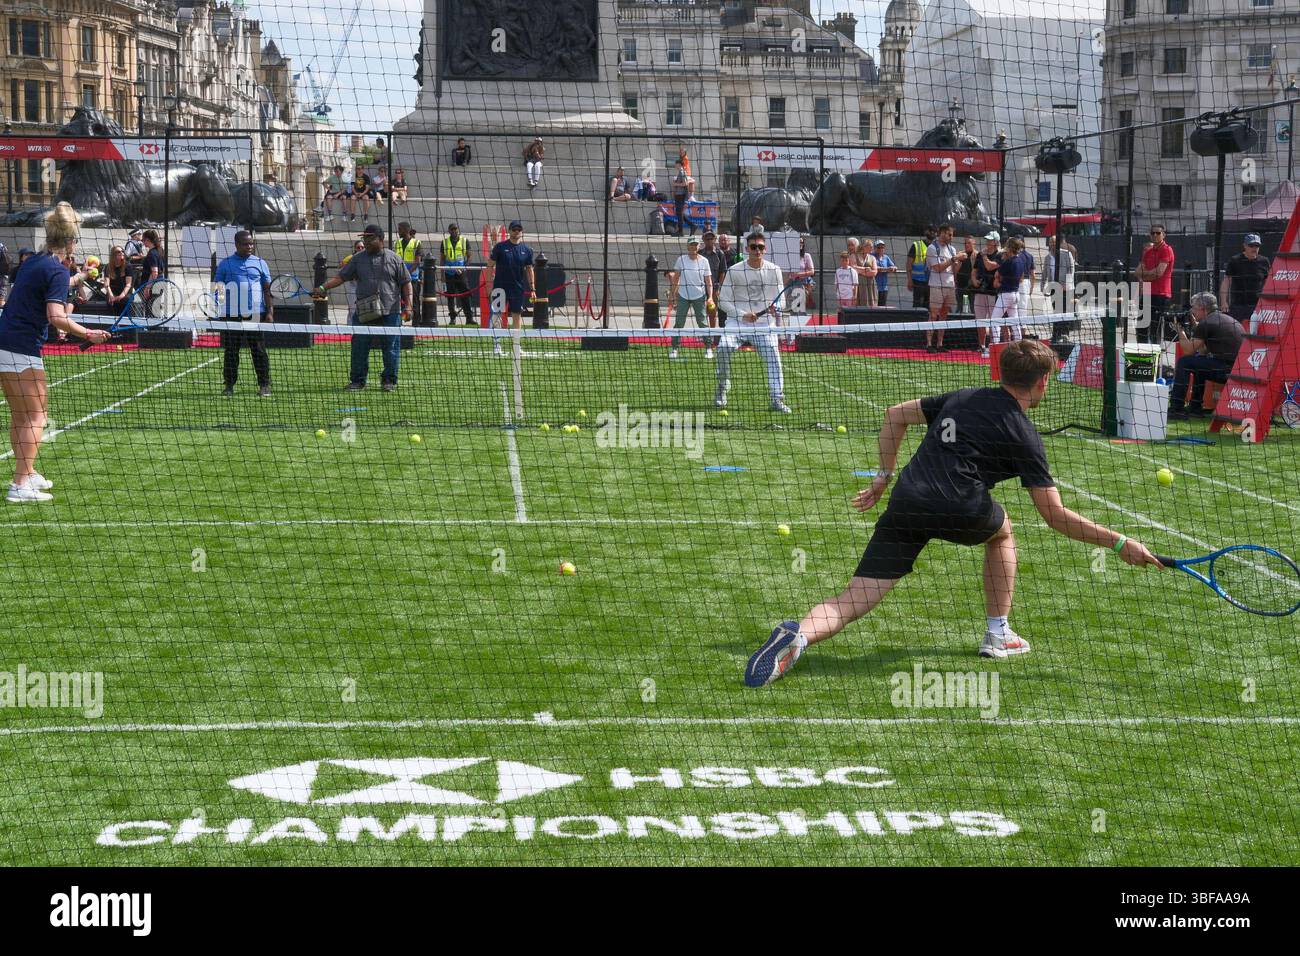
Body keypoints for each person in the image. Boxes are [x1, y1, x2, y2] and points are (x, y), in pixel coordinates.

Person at [742, 338, 1163, 685]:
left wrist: (882, 476)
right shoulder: (1025, 434)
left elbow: (894, 416)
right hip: (959, 505)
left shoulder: (962, 397)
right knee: (1003, 532)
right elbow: (1054, 516)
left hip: (907, 499)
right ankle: (998, 634)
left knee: (853, 597)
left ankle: (799, 636)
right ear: (1042, 382)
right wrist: (1119, 541)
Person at [0, 202, 111, 503]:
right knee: (36, 416)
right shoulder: (55, 270)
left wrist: (82, 277)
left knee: (22, 415)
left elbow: (52, 286)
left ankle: (27, 471)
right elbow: (56, 317)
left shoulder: (34, 263)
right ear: (72, 241)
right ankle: (19, 484)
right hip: (22, 347)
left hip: (5, 343)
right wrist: (89, 334)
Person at [314, 224, 412, 392]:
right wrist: (323, 288)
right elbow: (341, 277)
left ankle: (389, 380)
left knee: (391, 347)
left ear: (381, 240)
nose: (365, 241)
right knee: (359, 345)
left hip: (391, 311)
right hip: (365, 310)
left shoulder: (394, 258)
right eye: (364, 238)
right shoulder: (357, 259)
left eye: (369, 238)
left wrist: (409, 306)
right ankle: (358, 380)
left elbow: (406, 282)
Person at [715, 230, 790, 413]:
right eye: (754, 247)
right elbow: (722, 301)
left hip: (764, 324)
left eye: (761, 247)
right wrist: (742, 314)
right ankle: (722, 387)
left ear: (765, 249)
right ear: (747, 249)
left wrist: (776, 307)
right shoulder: (734, 270)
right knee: (723, 347)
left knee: (774, 358)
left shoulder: (774, 270)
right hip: (737, 323)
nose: (757, 250)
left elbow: (781, 300)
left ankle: (776, 399)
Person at [214, 230, 274, 398]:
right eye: (246, 244)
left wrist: (269, 312)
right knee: (231, 351)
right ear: (237, 245)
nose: (250, 247)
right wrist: (220, 310)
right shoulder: (225, 264)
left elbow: (267, 289)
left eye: (251, 244)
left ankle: (264, 385)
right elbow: (218, 288)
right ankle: (229, 386)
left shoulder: (260, 263)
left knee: (259, 350)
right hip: (231, 314)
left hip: (255, 313)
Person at [1168, 292, 1243, 419]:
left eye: (1194, 308)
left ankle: (1176, 407)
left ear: (1203, 308)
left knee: (1184, 362)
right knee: (1199, 361)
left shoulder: (1207, 323)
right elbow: (1203, 351)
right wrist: (1196, 327)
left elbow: (1188, 351)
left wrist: (1179, 330)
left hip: (1227, 370)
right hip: (1236, 368)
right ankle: (1195, 408)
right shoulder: (1221, 318)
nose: (1192, 311)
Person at [486, 220, 536, 357]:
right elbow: (490, 265)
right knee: (496, 315)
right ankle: (497, 346)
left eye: (519, 229)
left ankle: (516, 346)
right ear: (509, 231)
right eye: (514, 229)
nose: (516, 231)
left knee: (517, 316)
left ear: (522, 231)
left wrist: (533, 289)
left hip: (517, 289)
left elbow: (529, 269)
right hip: (500, 288)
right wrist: (489, 284)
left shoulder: (526, 250)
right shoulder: (500, 247)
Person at [667, 236, 714, 360]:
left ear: (699, 246)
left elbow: (708, 281)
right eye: (691, 244)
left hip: (700, 295)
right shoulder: (681, 260)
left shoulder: (704, 261)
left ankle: (708, 348)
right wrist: (672, 295)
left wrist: (710, 297)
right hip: (683, 295)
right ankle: (674, 348)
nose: (693, 246)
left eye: (695, 244)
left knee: (702, 323)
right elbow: (676, 279)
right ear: (688, 246)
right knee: (679, 323)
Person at [925, 224, 964, 352]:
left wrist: (960, 262)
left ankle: (940, 344)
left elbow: (954, 270)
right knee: (934, 314)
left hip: (950, 285)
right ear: (942, 233)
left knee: (944, 315)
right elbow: (937, 268)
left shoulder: (952, 249)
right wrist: (954, 259)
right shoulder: (932, 248)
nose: (951, 237)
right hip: (937, 286)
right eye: (949, 234)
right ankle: (929, 344)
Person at [1220, 233, 1269, 328]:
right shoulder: (1235, 260)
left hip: (1257, 305)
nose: (1254, 248)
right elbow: (1226, 281)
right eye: (1251, 245)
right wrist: (1223, 302)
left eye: (1257, 246)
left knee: (1257, 332)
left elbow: (1268, 283)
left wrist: (1267, 302)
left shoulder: (1264, 261)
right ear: (1245, 246)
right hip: (1238, 305)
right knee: (1238, 332)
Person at [1136, 224, 1174, 344]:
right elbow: (1137, 272)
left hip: (1160, 294)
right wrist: (1149, 275)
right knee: (1141, 326)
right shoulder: (1148, 251)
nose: (1155, 235)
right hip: (1147, 292)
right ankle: (1141, 352)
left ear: (1163, 235)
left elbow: (1159, 273)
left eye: (1158, 233)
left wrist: (1145, 275)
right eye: (1153, 233)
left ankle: (1155, 356)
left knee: (1155, 327)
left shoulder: (1167, 249)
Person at [990, 237, 1027, 345]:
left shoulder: (1008, 261)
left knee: (994, 320)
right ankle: (1019, 344)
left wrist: (1004, 259)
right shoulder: (1020, 260)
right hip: (1016, 294)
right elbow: (1021, 278)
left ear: (1010, 248)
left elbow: (997, 274)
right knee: (1014, 322)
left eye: (1007, 246)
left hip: (1006, 294)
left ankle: (995, 346)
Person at [972, 231, 1002, 357]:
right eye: (987, 240)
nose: (987, 243)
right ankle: (982, 346)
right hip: (980, 291)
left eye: (990, 241)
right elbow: (974, 270)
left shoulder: (1000, 255)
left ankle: (993, 345)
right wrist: (974, 280)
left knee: (993, 320)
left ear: (995, 242)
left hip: (993, 292)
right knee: (980, 320)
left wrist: (984, 256)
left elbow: (990, 267)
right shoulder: (980, 254)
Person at [440, 222, 475, 327]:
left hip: (460, 273)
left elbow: (469, 257)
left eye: (455, 229)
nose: (454, 231)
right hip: (449, 273)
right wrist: (442, 274)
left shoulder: (465, 241)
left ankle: (469, 318)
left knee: (465, 295)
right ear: (449, 231)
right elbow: (442, 259)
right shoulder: (445, 242)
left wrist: (463, 267)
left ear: (458, 230)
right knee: (450, 296)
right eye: (452, 229)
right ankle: (452, 318)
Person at [1045, 235, 1077, 344]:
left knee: (1065, 311)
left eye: (1054, 242)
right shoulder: (1049, 256)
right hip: (1054, 287)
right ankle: (1056, 334)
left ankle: (1065, 334)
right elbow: (1048, 272)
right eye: (1050, 242)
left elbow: (1071, 269)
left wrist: (1066, 284)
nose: (1052, 244)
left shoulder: (1066, 253)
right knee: (1056, 311)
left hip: (1065, 288)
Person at [907, 225, 935, 309]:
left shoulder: (937, 246)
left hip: (932, 282)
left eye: (934, 231)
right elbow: (909, 263)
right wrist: (910, 280)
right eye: (931, 231)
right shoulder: (916, 245)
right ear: (926, 232)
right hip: (918, 282)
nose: (933, 233)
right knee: (918, 305)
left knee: (929, 305)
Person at [393, 221, 422, 292]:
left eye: (400, 229)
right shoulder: (397, 243)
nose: (398, 231)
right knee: (401, 302)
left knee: (414, 302)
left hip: (412, 278)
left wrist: (406, 273)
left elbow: (417, 262)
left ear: (406, 230)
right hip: (400, 279)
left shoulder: (416, 243)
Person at [670, 159, 695, 236]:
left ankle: (681, 231)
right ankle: (692, 225)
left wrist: (675, 184)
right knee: (679, 213)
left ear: (679, 164)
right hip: (679, 195)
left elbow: (685, 184)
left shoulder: (682, 172)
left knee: (679, 213)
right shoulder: (681, 172)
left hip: (680, 195)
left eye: (676, 164)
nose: (675, 165)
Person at [792, 236, 816, 313]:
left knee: (801, 306)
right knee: (795, 307)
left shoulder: (806, 256)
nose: (800, 244)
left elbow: (812, 271)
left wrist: (799, 274)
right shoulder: (791, 255)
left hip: (804, 282)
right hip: (792, 282)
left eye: (802, 242)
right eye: (799, 242)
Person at [955, 235, 978, 314]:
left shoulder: (977, 255)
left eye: (969, 243)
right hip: (960, 286)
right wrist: (959, 260)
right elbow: (954, 270)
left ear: (974, 244)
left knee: (973, 308)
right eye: (965, 243)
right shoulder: (960, 254)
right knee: (960, 308)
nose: (966, 245)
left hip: (972, 287)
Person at [855, 237, 878, 307]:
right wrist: (865, 269)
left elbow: (874, 272)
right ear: (864, 246)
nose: (872, 248)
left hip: (870, 283)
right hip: (859, 283)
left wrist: (860, 272)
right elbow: (853, 268)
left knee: (871, 303)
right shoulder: (854, 255)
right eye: (870, 246)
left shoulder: (872, 258)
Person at [873, 240, 896, 307]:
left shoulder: (886, 257)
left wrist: (893, 268)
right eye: (878, 247)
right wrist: (886, 269)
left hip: (884, 287)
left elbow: (893, 266)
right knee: (874, 306)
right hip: (874, 286)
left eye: (882, 247)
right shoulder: (871, 256)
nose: (880, 249)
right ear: (875, 248)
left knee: (883, 306)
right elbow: (874, 267)